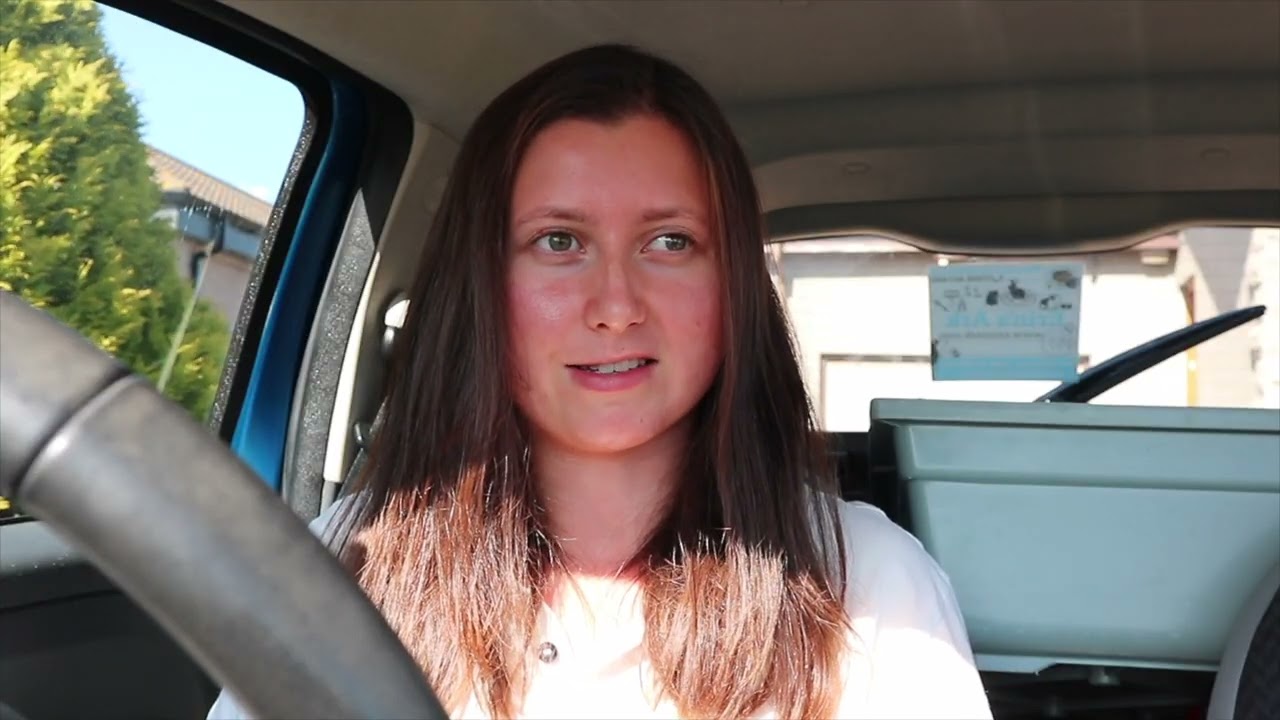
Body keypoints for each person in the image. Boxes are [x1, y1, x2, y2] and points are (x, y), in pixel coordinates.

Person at [208, 44, 992, 720]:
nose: (616, 307)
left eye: (670, 241)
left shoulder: (868, 582)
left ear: (733, 290)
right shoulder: (348, 564)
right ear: (479, 282)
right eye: (558, 241)